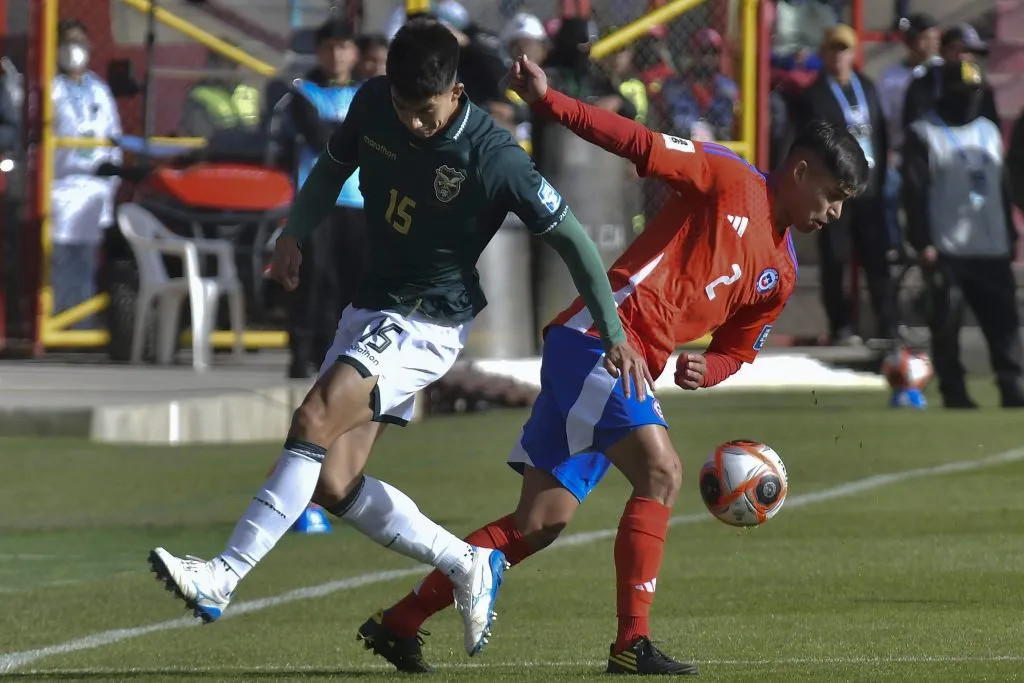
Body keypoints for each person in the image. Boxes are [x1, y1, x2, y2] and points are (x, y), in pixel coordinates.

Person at [147, 20, 649, 659]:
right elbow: (332, 169)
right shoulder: (373, 103)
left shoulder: (496, 157)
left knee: (313, 417)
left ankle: (223, 575)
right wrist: (294, 234)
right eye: (405, 108)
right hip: (373, 306)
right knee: (335, 481)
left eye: (427, 110)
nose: (413, 122)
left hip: (428, 318)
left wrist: (614, 333)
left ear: (457, 91)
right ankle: (467, 562)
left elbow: (575, 241)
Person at [358, 55, 867, 676]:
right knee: (663, 472)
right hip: (600, 340)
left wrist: (713, 369)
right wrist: (551, 102)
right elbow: (638, 142)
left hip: (623, 366)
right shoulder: (729, 178)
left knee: (540, 523)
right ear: (802, 169)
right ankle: (632, 643)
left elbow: (740, 345)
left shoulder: (780, 272)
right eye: (834, 196)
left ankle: (400, 622)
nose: (835, 212)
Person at [902, 60, 1024, 409]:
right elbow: (915, 192)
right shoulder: (924, 132)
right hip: (947, 248)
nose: (970, 99)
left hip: (992, 245)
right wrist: (922, 240)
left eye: (975, 92)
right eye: (963, 92)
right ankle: (954, 391)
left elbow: (1002, 186)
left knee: (1004, 323)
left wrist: (1011, 234)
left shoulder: (989, 130)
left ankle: (1011, 385)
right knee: (947, 326)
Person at [793, 24, 896, 345]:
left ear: (853, 53)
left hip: (870, 190)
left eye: (845, 49)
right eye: (834, 49)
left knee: (876, 259)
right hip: (835, 191)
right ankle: (841, 326)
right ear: (824, 53)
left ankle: (889, 325)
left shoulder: (867, 86)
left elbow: (879, 133)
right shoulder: (813, 95)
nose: (839, 56)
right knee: (834, 259)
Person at [285, 18, 369, 379]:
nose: (336, 54)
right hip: (318, 202)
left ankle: (344, 354)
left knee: (352, 281)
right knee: (313, 278)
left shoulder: (369, 92)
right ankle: (302, 353)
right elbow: (322, 138)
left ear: (354, 53)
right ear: (319, 52)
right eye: (329, 47)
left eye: (343, 46)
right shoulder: (303, 93)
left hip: (361, 201)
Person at [50, 19, 121, 328]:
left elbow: (113, 139)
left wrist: (110, 186)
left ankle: (82, 324)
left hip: (93, 191)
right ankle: (58, 322)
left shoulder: (99, 89)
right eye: (68, 42)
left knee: (88, 262)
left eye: (80, 43)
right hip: (59, 189)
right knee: (58, 260)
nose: (74, 50)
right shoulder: (51, 89)